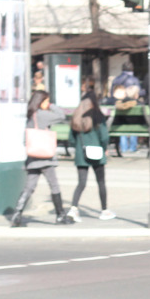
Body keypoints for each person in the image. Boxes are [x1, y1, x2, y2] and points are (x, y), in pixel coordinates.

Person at [10, 90, 73, 227]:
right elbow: (61, 115)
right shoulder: (43, 115)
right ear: (41, 101)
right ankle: (60, 215)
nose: (47, 103)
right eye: (46, 101)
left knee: (29, 187)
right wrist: (51, 105)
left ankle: (17, 214)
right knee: (54, 185)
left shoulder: (31, 116)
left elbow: (25, 139)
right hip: (45, 158)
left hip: (32, 157)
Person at [66, 90, 115, 221]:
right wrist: (104, 148)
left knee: (81, 183)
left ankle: (73, 209)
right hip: (97, 153)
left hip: (81, 154)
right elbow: (104, 136)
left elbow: (71, 138)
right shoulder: (98, 115)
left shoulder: (76, 116)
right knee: (101, 182)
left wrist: (77, 147)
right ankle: (104, 210)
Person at [110, 62, 143, 154]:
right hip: (131, 107)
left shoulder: (116, 79)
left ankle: (123, 147)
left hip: (119, 108)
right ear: (132, 69)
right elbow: (139, 93)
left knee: (121, 123)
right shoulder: (134, 80)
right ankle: (132, 147)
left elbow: (112, 94)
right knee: (133, 121)